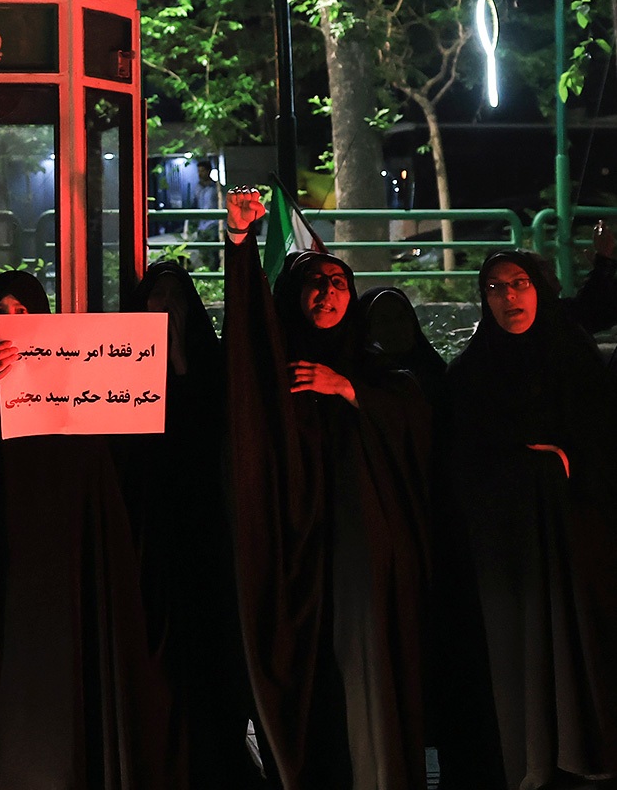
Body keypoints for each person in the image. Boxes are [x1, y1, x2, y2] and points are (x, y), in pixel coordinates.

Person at [223, 187, 431, 790]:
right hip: (297, 556)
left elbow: (414, 419)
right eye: (315, 282)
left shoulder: (373, 370)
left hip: (363, 558)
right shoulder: (277, 372)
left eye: (339, 283)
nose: (327, 293)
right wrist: (239, 243)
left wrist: (347, 389)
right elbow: (245, 343)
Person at [0, 269, 170, 790]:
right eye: (0, 313)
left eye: (23, 312)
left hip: (67, 568)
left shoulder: (77, 389)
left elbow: (98, 474)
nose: (11, 322)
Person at [436, 251, 617, 789]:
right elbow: (461, 460)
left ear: (539, 289)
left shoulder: (573, 356)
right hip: (507, 546)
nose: (508, 296)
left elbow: (600, 438)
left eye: (518, 283)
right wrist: (527, 465)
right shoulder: (471, 372)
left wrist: (568, 464)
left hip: (577, 531)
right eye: (494, 287)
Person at [122, 263, 255, 788]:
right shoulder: (118, 366)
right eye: (156, 298)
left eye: (176, 299)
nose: (165, 309)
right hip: (145, 525)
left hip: (206, 527)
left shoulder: (211, 364)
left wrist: (178, 358)